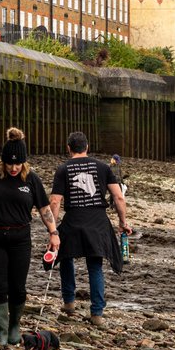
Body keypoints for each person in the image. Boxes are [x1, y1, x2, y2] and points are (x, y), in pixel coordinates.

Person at [0, 127, 59, 345]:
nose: (14, 168)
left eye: (18, 164)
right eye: (10, 163)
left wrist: (54, 233)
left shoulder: (31, 180)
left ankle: (15, 326)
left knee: (18, 286)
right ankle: (1, 332)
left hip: (20, 239)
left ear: (24, 162)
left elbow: (44, 209)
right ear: (3, 161)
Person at [49, 131, 130, 328]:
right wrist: (123, 222)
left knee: (65, 257)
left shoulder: (63, 169)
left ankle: (69, 303)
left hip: (74, 219)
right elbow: (119, 197)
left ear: (68, 148)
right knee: (95, 265)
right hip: (97, 221)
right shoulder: (103, 167)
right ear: (87, 147)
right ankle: (97, 314)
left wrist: (53, 229)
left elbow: (55, 201)